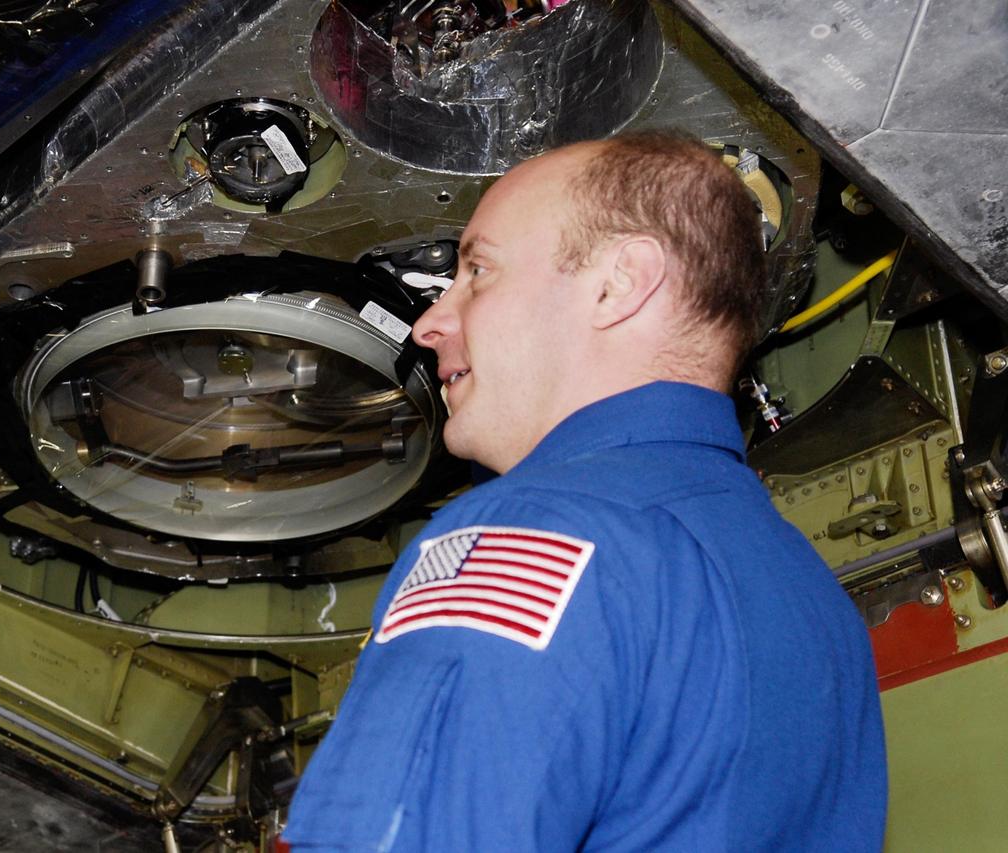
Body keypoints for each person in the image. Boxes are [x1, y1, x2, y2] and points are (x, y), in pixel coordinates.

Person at [282, 131, 887, 851]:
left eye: (478, 271)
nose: (428, 324)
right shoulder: (811, 599)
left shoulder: (535, 531)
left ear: (619, 283)